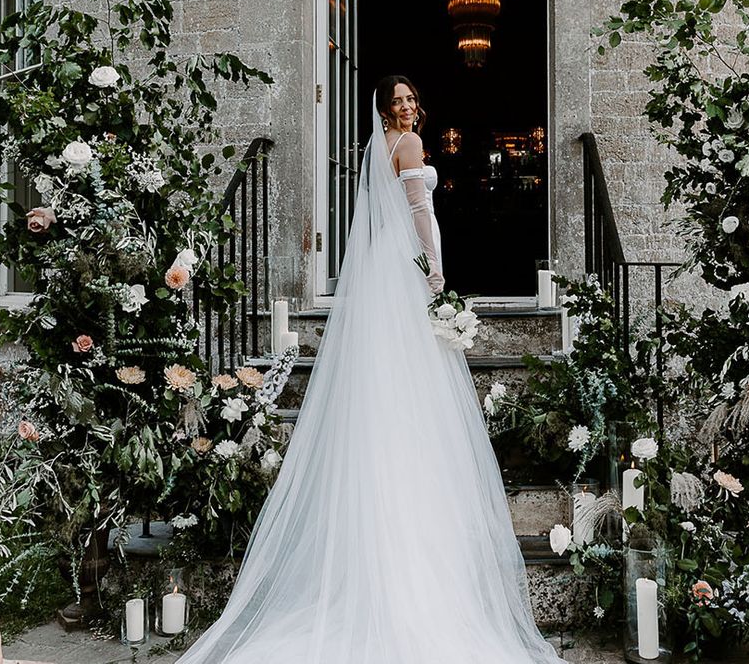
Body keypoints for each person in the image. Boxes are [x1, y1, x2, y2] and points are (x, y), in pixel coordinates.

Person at [176, 75, 561, 664]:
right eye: (398, 102)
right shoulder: (407, 145)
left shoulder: (371, 148)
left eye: (411, 99)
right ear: (386, 110)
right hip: (404, 263)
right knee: (416, 381)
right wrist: (434, 271)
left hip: (380, 263)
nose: (407, 107)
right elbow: (420, 212)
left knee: (386, 379)